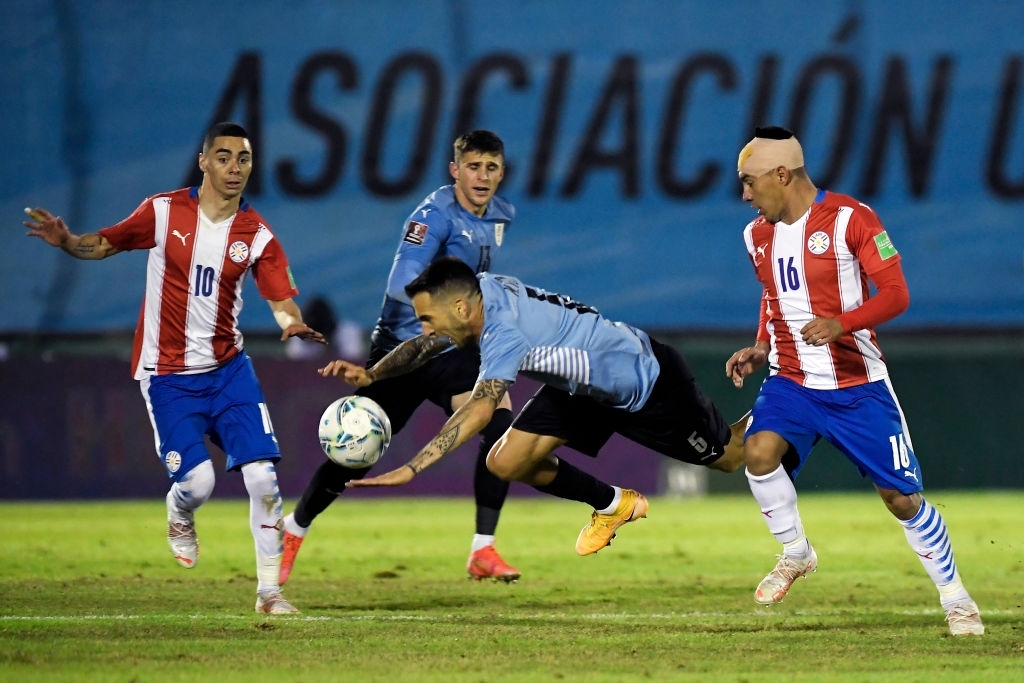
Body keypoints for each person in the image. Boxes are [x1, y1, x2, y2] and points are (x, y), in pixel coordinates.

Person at [24, 121, 325, 615]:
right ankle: (179, 509)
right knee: (198, 484)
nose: (234, 167)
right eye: (223, 157)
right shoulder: (162, 211)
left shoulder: (258, 234)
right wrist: (68, 240)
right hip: (167, 376)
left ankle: (270, 593)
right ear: (204, 161)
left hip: (229, 371)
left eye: (243, 159)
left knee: (263, 479)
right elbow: (104, 244)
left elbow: (282, 300)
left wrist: (292, 324)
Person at [725, 126, 984, 636]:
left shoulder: (852, 219)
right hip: (792, 380)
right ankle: (796, 553)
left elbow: (896, 293)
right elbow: (773, 296)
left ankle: (957, 598)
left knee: (901, 500)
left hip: (856, 385)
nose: (745, 194)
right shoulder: (757, 235)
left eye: (750, 182)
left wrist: (842, 323)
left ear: (783, 174)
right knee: (755, 453)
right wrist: (761, 345)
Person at [321, 256, 747, 557]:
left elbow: (478, 410)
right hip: (580, 389)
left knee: (730, 457)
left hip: (645, 382)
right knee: (505, 462)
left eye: (428, 317)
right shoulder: (480, 289)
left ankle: (783, 398)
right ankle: (614, 504)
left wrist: (411, 468)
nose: (424, 328)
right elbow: (431, 343)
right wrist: (373, 375)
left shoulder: (504, 333)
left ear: (460, 307)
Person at [280, 130, 523, 584]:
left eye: (491, 167)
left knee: (497, 422)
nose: (482, 176)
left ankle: (483, 549)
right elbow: (402, 280)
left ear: (501, 172)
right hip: (404, 346)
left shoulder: (502, 214)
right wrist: (440, 309)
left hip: (452, 350)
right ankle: (293, 529)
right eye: (473, 166)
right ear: (455, 170)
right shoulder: (433, 216)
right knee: (360, 451)